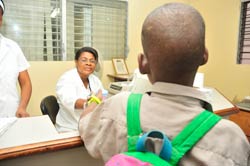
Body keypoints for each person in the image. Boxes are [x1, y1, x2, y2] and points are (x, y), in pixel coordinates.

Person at [79, 2, 250, 165]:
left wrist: (94, 102)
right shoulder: (231, 138)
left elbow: (85, 125)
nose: (88, 64)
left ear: (142, 64)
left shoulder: (117, 107)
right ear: (204, 56)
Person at [55, 46, 104, 132]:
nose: (88, 63)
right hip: (70, 128)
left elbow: (102, 95)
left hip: (89, 125)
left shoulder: (95, 80)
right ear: (76, 62)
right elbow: (70, 101)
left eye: (92, 61)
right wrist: (89, 104)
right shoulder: (67, 79)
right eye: (84, 60)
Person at [0, 0, 32, 118]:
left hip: (10, 113)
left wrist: (22, 107)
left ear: (1, 19)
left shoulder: (12, 47)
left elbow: (26, 83)